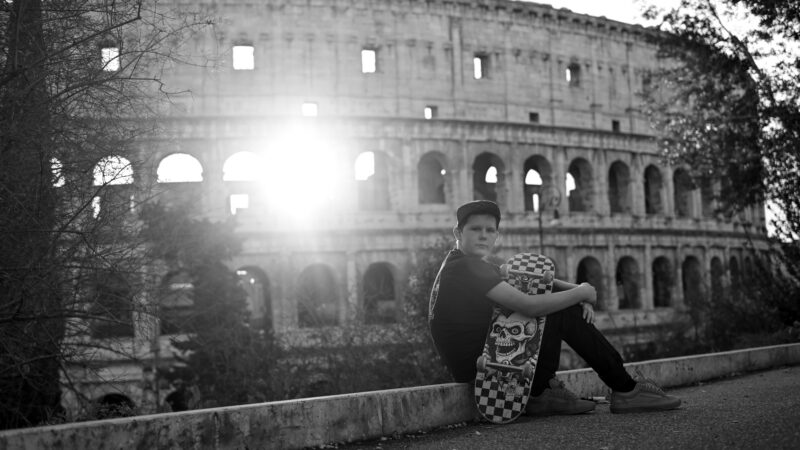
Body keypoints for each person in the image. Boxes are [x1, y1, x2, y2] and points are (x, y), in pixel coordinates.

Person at [428, 200, 681, 415]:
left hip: (487, 367)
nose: (483, 235)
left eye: (489, 230)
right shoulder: (465, 269)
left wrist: (578, 291)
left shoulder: (462, 264)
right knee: (558, 311)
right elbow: (529, 305)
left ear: (497, 236)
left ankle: (542, 390)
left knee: (558, 302)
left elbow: (524, 276)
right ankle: (624, 389)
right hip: (488, 377)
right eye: (475, 229)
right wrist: (579, 294)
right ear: (458, 233)